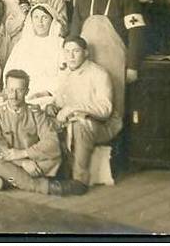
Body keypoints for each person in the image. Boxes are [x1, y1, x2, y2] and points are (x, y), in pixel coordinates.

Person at [44, 36, 122, 196]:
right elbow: (60, 101)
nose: (71, 56)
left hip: (102, 126)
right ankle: (53, 173)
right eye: (67, 52)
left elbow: (105, 109)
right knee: (43, 120)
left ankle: (80, 181)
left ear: (85, 53)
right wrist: (53, 107)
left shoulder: (99, 74)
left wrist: (73, 109)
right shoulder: (66, 74)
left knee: (81, 126)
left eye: (75, 51)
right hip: (72, 121)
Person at [70, 0, 145, 116]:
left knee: (114, 107)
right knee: (87, 104)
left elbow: (136, 33)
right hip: (87, 61)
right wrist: (69, 60)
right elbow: (74, 33)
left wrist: (132, 66)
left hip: (115, 62)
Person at [0, 70, 62, 195]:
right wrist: (23, 163)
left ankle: (8, 179)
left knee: (54, 158)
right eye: (10, 90)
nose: (13, 96)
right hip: (13, 161)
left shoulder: (36, 113)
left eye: (19, 90)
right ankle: (39, 185)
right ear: (5, 90)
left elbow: (52, 142)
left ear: (27, 91)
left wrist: (23, 153)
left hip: (32, 161)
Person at [4, 4, 64, 106]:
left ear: (52, 20)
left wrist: (47, 92)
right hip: (20, 92)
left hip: (48, 94)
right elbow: (10, 69)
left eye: (44, 17)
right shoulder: (22, 44)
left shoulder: (60, 44)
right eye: (36, 17)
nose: (40, 22)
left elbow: (64, 75)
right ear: (31, 20)